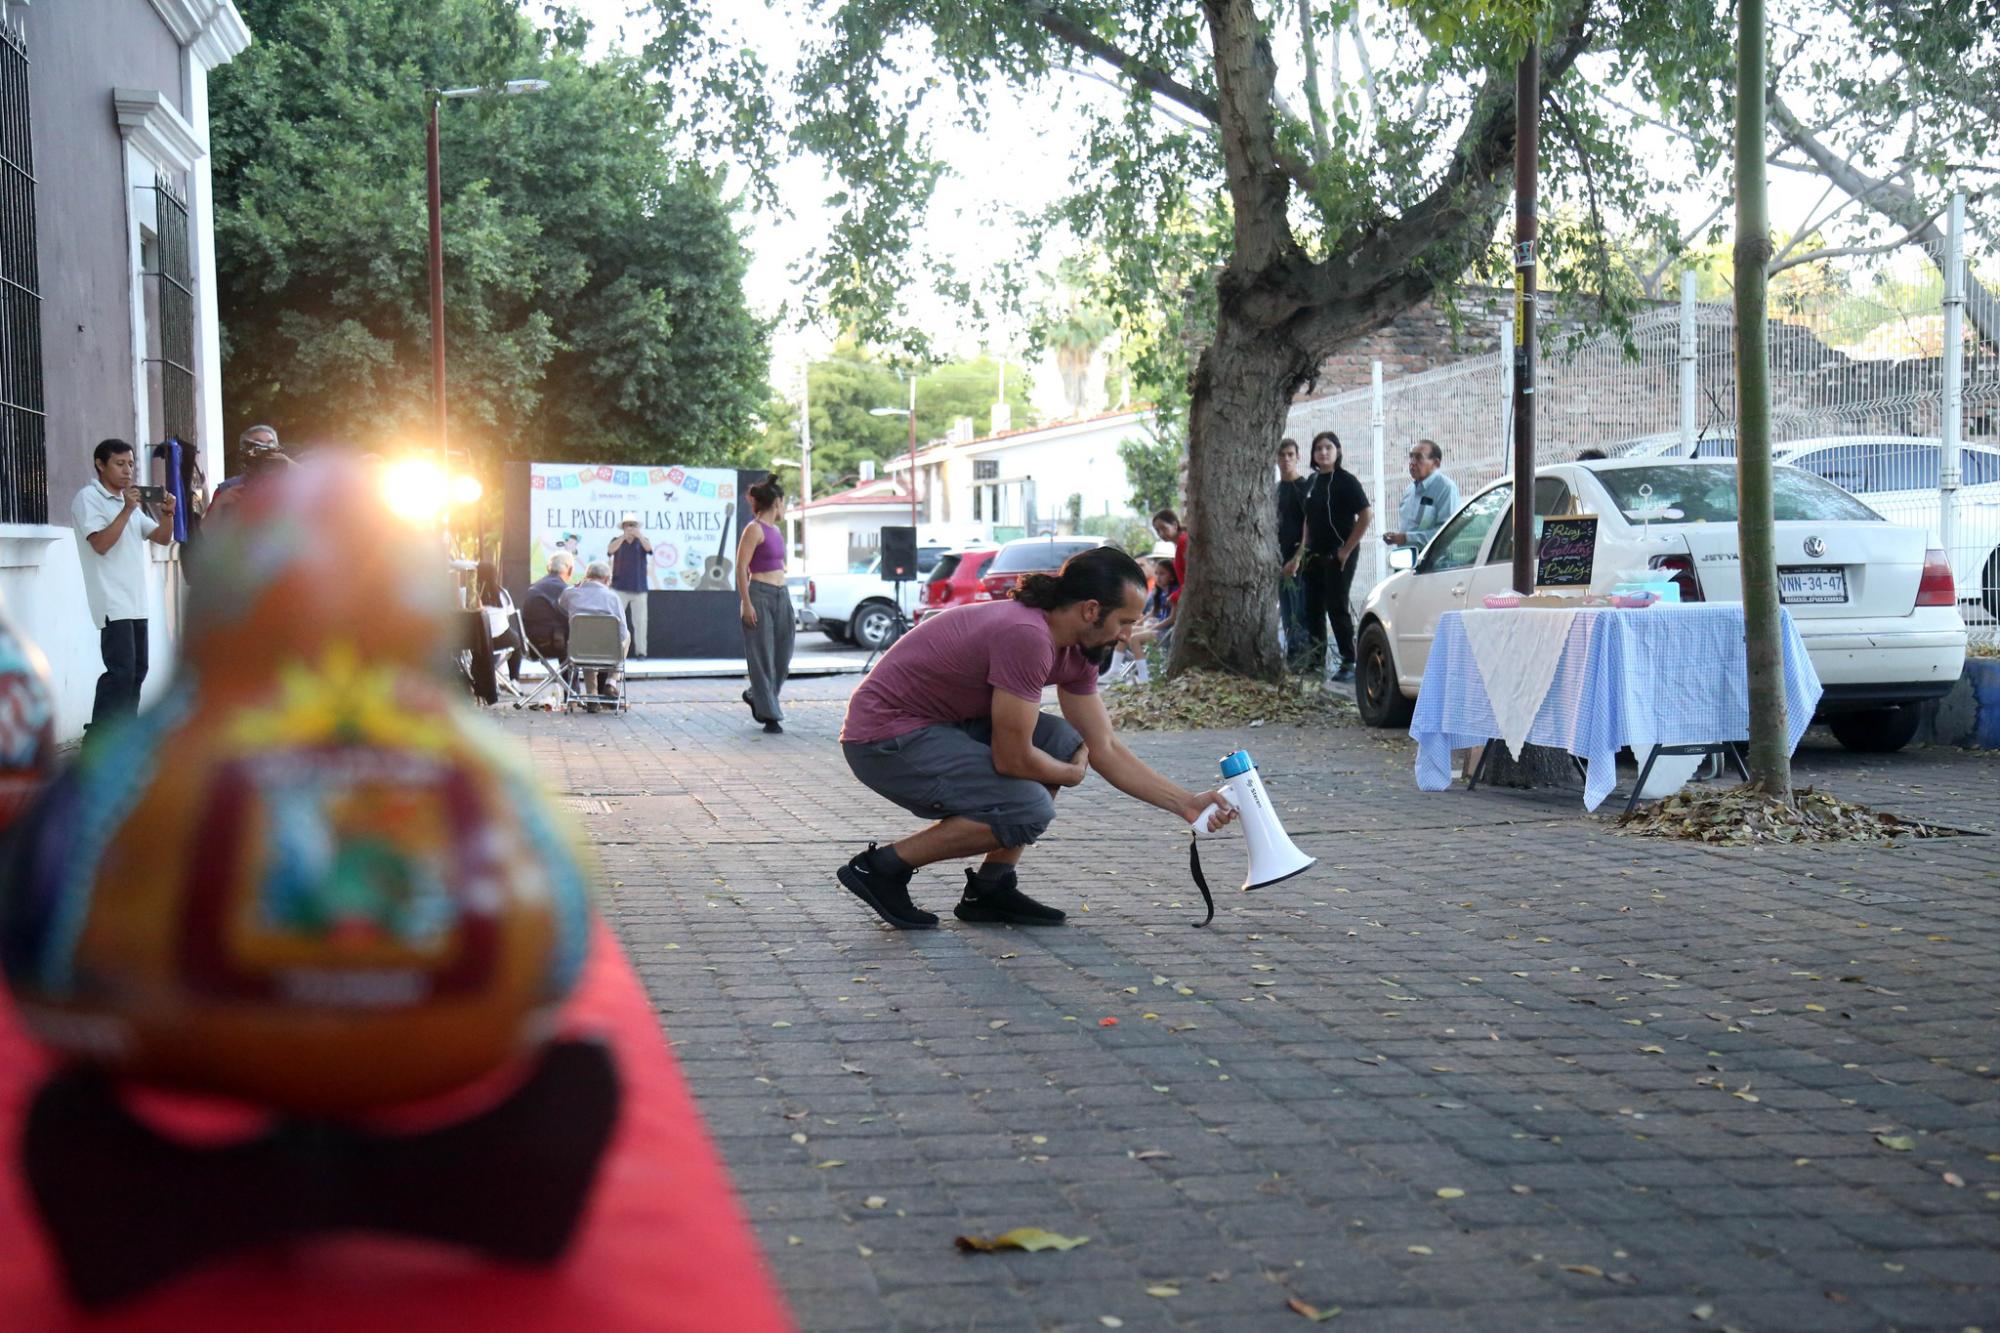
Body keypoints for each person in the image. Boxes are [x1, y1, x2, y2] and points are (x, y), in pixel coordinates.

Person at [834, 546, 1236, 931]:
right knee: (1028, 808)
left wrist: (1186, 803)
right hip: (883, 738)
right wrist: (1069, 773)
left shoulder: (1079, 649)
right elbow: (1012, 759)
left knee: (1061, 742)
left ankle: (990, 889)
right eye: (1125, 622)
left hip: (941, 724)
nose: (1128, 634)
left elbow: (1105, 747)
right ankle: (882, 868)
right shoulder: (1026, 635)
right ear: (1091, 610)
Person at [71, 438, 176, 738]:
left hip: (136, 602)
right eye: (119, 463)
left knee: (137, 672)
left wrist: (168, 514)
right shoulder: (88, 499)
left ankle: (124, 740)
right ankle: (99, 740)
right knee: (119, 674)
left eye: (131, 463)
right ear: (100, 465)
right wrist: (127, 510)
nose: (128, 470)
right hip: (112, 602)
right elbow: (101, 544)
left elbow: (161, 538)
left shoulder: (126, 502)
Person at [1293, 430, 1371, 683]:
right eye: (1318, 449)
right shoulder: (1312, 482)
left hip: (1339, 554)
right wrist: (1302, 550)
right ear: (1313, 455)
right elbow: (1308, 519)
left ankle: (1350, 661)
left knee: (1337, 606)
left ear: (1337, 451)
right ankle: (1316, 660)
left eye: (1328, 447)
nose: (1323, 452)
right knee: (1313, 608)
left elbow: (1366, 515)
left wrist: (1346, 549)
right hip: (1313, 555)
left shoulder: (1347, 481)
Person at [735, 476, 794, 735]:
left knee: (783, 657)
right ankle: (771, 716)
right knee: (763, 657)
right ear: (776, 502)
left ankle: (755, 695)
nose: (785, 507)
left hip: (782, 595)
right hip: (760, 594)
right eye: (784, 502)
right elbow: (740, 567)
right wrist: (746, 603)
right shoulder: (754, 529)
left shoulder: (777, 531)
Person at [559, 560, 629, 705]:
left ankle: (592, 695)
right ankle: (611, 681)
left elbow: (561, 605)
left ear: (586, 576)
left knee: (586, 642)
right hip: (608, 650)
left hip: (579, 650)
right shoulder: (613, 597)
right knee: (627, 635)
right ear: (606, 579)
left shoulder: (571, 593)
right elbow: (621, 633)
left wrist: (575, 587)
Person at [1381, 439, 1459, 552]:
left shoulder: (1446, 488)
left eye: (1419, 457)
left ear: (1436, 463)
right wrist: (1397, 538)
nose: (1412, 462)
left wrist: (1405, 538)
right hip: (1406, 561)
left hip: (1433, 563)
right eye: (1411, 457)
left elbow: (1447, 533)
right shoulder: (1409, 491)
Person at [1275, 437, 1309, 670]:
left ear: (1298, 457)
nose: (1286, 459)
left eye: (1290, 454)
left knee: (1300, 613)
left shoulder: (1305, 487)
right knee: (1287, 615)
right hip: (1278, 560)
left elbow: (1311, 525)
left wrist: (1298, 557)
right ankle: (1294, 660)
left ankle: (1305, 662)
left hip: (1300, 561)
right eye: (1282, 455)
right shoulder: (1275, 491)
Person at [205, 424, 281, 518]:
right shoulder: (227, 488)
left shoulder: (290, 487)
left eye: (270, 444)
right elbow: (205, 531)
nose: (265, 450)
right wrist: (219, 504)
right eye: (258, 445)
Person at [607, 513, 653, 657]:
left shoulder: (643, 540)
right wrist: (623, 537)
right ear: (623, 527)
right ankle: (613, 651)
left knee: (640, 622)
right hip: (619, 587)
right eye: (627, 525)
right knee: (615, 621)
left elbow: (649, 549)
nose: (630, 528)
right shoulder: (616, 540)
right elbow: (610, 551)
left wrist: (639, 536)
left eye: (632, 525)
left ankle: (641, 652)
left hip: (639, 588)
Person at [522, 551, 574, 661]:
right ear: (569, 569)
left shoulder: (537, 585)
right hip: (551, 643)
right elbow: (571, 617)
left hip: (533, 643)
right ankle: (570, 678)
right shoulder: (561, 588)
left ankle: (566, 678)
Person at [476, 559, 522, 684]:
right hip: (501, 639)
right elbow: (508, 615)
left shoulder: (469, 593)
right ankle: (514, 679)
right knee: (517, 643)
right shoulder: (503, 593)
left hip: (478, 642)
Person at [1151, 508, 1187, 604]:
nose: (1161, 534)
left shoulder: (1183, 542)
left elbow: (1190, 578)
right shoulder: (1180, 543)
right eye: (1158, 530)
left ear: (1175, 525)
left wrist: (1174, 596)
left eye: (1164, 528)